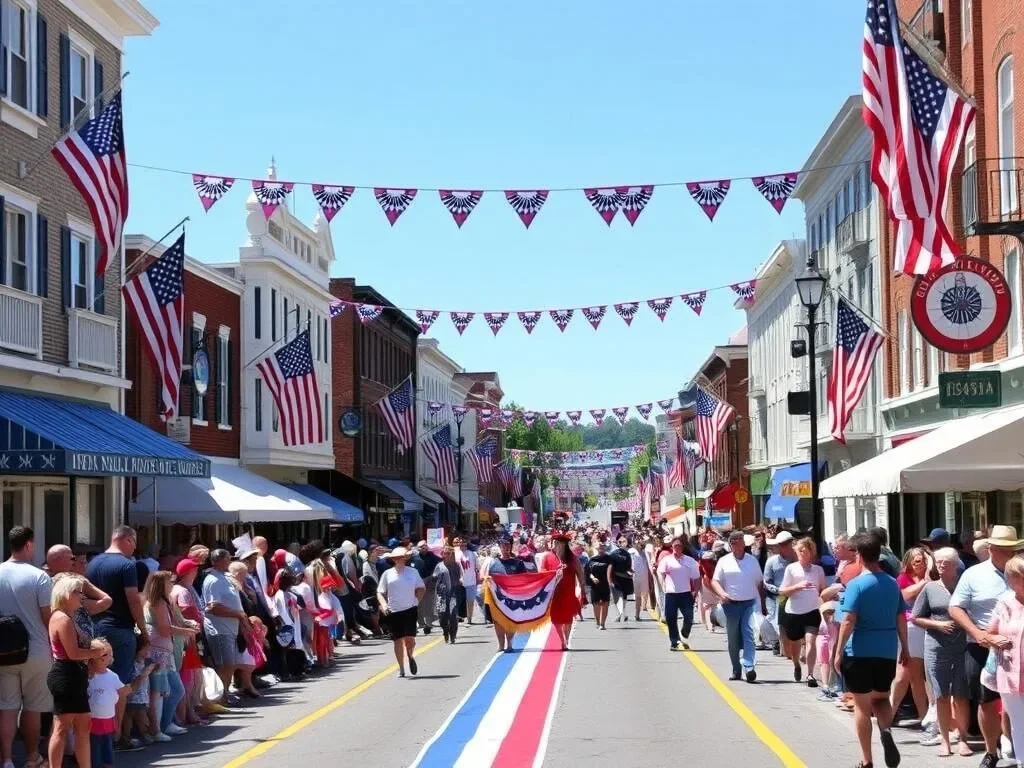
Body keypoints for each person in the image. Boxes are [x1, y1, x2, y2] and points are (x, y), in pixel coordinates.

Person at [834, 532, 908, 768]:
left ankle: (866, 759)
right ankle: (885, 731)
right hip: (886, 650)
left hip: (860, 650)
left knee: (862, 707)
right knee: (881, 699)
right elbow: (901, 618)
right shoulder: (892, 583)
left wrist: (838, 651)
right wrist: (904, 647)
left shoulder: (857, 584)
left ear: (859, 556)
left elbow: (848, 620)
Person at [949, 525, 1021, 768]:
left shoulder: (1021, 571)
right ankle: (992, 751)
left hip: (1017, 647)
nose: (1010, 554)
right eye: (1004, 549)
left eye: (1013, 549)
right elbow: (955, 607)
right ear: (991, 548)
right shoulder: (973, 574)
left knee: (1016, 699)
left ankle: (1013, 743)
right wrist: (976, 632)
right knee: (986, 699)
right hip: (983, 645)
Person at [0, 526, 53, 768]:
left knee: (7, 706)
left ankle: (7, 759)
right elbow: (47, 616)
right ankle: (32, 757)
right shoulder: (39, 577)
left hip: (4, 650)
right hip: (36, 649)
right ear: (29, 545)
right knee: (33, 706)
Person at [86, 525, 150, 722]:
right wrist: (143, 628)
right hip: (120, 628)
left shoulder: (93, 563)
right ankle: (116, 734)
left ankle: (97, 730)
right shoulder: (127, 564)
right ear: (128, 540)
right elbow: (133, 599)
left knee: (97, 680)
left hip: (95, 627)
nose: (134, 548)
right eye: (134, 543)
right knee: (119, 684)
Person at [911, 546, 970, 757]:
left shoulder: (965, 586)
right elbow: (916, 617)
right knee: (941, 695)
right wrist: (938, 625)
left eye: (946, 563)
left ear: (956, 565)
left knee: (961, 695)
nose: (942, 566)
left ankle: (962, 738)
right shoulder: (930, 588)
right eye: (938, 562)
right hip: (936, 646)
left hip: (963, 646)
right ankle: (945, 741)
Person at [46, 573, 107, 768]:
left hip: (74, 675)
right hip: (66, 674)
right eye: (76, 592)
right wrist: (96, 652)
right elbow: (73, 653)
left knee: (82, 727)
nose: (81, 596)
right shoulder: (62, 618)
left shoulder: (67, 617)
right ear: (64, 594)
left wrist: (94, 652)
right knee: (62, 727)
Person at [981, 554, 1024, 764]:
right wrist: (995, 639)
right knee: (1018, 722)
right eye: (1020, 577)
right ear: (1012, 580)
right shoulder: (1005, 603)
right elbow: (987, 634)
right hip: (1010, 674)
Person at [142, 570, 193, 740]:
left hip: (165, 651)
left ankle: (164, 724)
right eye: (169, 582)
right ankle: (158, 729)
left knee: (171, 691)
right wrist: (187, 631)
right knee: (161, 691)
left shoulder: (165, 601)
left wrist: (186, 625)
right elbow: (164, 629)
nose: (172, 585)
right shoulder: (157, 603)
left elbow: (174, 622)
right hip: (158, 652)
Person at [711, 530, 765, 683]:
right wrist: (722, 594)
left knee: (749, 635)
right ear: (730, 545)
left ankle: (749, 667)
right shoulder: (724, 561)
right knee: (733, 639)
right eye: (733, 542)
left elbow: (759, 583)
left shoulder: (752, 561)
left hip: (749, 603)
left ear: (743, 543)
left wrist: (761, 603)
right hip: (731, 605)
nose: (736, 544)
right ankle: (736, 669)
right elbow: (715, 581)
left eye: (739, 541)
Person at [891, 547, 932, 726]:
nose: (919, 563)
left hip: (924, 629)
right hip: (908, 628)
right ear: (908, 562)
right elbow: (905, 595)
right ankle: (889, 713)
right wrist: (925, 581)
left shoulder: (933, 578)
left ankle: (924, 717)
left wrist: (930, 569)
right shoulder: (903, 579)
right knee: (902, 673)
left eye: (922, 560)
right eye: (915, 560)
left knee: (916, 676)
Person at [201, 550, 248, 704]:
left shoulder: (224, 577)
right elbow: (213, 607)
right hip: (219, 629)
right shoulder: (213, 580)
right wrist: (237, 614)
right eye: (227, 558)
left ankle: (225, 693)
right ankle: (220, 697)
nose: (229, 561)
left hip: (230, 628)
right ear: (219, 560)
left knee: (230, 663)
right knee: (225, 664)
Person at [779, 537, 826, 687]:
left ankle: (810, 674)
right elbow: (783, 591)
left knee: (811, 641)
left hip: (812, 611)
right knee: (795, 643)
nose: (801, 553)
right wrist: (797, 587)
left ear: (811, 552)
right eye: (798, 551)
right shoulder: (791, 569)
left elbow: (823, 590)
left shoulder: (818, 570)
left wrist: (827, 600)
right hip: (793, 612)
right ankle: (796, 665)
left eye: (804, 550)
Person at [377, 547, 425, 677]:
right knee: (397, 640)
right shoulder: (387, 574)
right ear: (393, 560)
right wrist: (384, 604)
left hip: (410, 609)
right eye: (396, 558)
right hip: (394, 610)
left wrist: (417, 601)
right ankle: (401, 668)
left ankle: (410, 655)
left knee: (410, 639)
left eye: (401, 557)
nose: (399, 560)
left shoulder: (413, 572)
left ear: (405, 558)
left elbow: (421, 588)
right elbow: (380, 592)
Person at [87, 637, 127, 768]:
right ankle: (96, 764)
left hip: (108, 717)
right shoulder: (88, 677)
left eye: (109, 654)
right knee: (95, 744)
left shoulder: (113, 676)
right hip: (92, 718)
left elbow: (122, 691)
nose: (109, 657)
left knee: (107, 742)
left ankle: (108, 763)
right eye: (104, 654)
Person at [656, 537, 701, 651]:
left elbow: (697, 577)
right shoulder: (667, 560)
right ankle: (674, 641)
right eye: (675, 546)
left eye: (679, 546)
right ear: (672, 547)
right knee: (671, 618)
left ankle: (684, 634)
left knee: (689, 617)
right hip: (671, 593)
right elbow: (660, 572)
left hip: (685, 593)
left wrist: (695, 591)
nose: (677, 548)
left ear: (683, 547)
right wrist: (663, 585)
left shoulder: (689, 561)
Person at [485, 537, 528, 652]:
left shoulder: (518, 563)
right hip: (497, 597)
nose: (505, 548)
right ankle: (500, 645)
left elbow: (524, 580)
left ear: (511, 546)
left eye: (507, 545)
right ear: (499, 547)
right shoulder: (493, 563)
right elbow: (488, 578)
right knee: (498, 621)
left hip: (512, 597)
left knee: (510, 620)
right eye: (503, 546)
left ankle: (509, 644)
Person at [546, 532, 586, 651]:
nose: (556, 545)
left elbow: (580, 574)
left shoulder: (572, 558)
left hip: (568, 593)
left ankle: (566, 640)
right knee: (556, 619)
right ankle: (562, 640)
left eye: (559, 543)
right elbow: (542, 574)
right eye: (555, 542)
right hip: (553, 594)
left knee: (567, 618)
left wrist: (582, 589)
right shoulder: (548, 557)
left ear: (564, 545)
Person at [762, 531, 796, 658]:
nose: (785, 546)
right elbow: (766, 581)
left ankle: (789, 648)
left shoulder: (796, 559)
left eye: (787, 543)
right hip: (776, 596)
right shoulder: (771, 561)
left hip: (794, 595)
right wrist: (777, 590)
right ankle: (777, 643)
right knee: (775, 620)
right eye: (782, 544)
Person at [432, 546, 462, 644]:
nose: (447, 555)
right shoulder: (439, 566)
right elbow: (434, 577)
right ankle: (445, 631)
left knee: (453, 615)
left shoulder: (456, 565)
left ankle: (453, 635)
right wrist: (435, 578)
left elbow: (459, 577)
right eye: (445, 553)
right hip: (441, 595)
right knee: (442, 616)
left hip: (453, 593)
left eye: (449, 553)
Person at [586, 542, 613, 630]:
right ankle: (598, 622)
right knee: (596, 604)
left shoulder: (609, 558)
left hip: (605, 584)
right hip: (595, 585)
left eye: (602, 547)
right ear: (595, 548)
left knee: (605, 603)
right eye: (599, 547)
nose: (601, 548)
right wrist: (593, 578)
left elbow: (613, 570)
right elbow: (588, 572)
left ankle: (603, 624)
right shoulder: (592, 559)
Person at [453, 537, 479, 625]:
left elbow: (477, 568)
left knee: (470, 601)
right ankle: (456, 618)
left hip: (471, 581)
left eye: (464, 542)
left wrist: (478, 578)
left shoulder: (472, 554)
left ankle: (469, 619)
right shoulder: (455, 554)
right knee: (458, 601)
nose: (462, 544)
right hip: (459, 582)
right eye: (460, 542)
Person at [628, 537, 651, 620]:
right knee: (636, 596)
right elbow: (628, 563)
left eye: (643, 545)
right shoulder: (631, 552)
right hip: (634, 577)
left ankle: (638, 613)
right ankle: (632, 614)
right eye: (640, 544)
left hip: (644, 577)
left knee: (642, 595)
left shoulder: (646, 553)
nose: (641, 546)